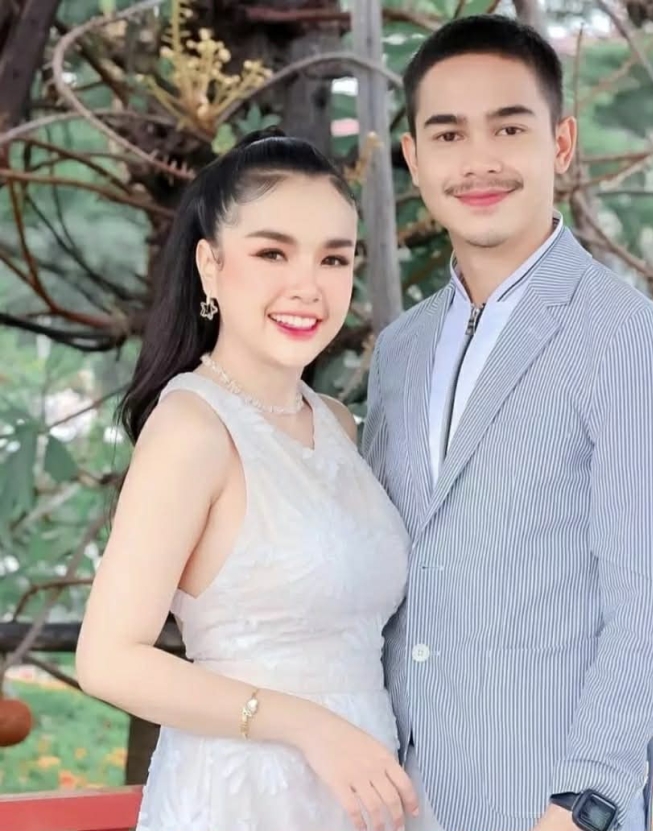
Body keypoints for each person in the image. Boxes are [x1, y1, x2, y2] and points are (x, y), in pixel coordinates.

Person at [363, 14, 653, 831]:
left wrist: (582, 803)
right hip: (397, 800)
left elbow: (652, 602)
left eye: (509, 128)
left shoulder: (633, 341)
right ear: (414, 157)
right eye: (448, 134)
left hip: (545, 805)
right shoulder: (400, 350)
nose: (478, 160)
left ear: (560, 144)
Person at [76, 129, 419, 831]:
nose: (308, 286)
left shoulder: (336, 423)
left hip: (359, 797)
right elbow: (107, 658)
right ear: (210, 265)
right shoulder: (193, 428)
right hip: (242, 797)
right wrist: (308, 726)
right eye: (272, 253)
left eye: (333, 258)